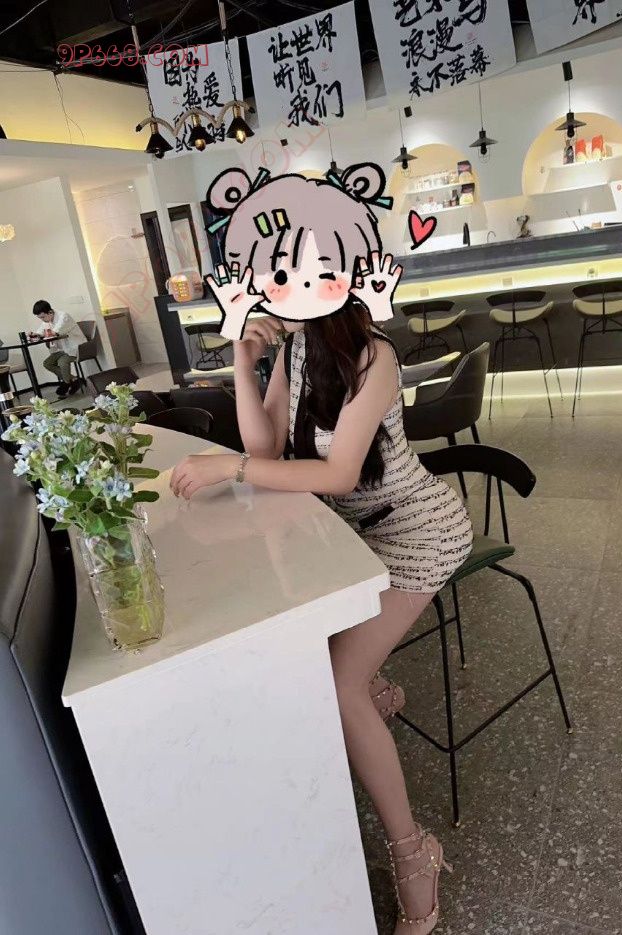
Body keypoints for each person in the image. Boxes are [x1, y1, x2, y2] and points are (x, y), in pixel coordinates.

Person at [170, 165, 473, 935]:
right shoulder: (295, 350)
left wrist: (231, 471)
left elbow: (334, 472)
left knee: (335, 684)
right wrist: (241, 357)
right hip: (355, 533)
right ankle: (373, 691)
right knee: (313, 642)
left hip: (418, 528)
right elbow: (265, 444)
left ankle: (413, 851)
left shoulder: (375, 356)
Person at [30, 299, 86, 398]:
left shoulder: (64, 316)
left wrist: (43, 335)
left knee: (62, 362)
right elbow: (41, 331)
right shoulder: (47, 320)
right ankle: (74, 380)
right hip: (63, 349)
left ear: (50, 312)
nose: (42, 320)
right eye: (40, 318)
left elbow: (55, 332)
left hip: (76, 347)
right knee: (47, 363)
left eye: (43, 317)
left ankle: (66, 383)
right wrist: (35, 334)